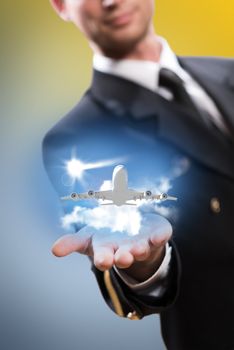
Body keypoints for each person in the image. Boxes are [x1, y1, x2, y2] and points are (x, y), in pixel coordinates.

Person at [42, 1, 234, 349]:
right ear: (60, 5)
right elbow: (119, 258)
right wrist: (143, 266)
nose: (111, 1)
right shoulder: (76, 139)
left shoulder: (228, 72)